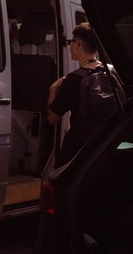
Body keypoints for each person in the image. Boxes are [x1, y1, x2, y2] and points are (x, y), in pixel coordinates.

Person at [47, 22, 113, 165]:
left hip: (78, 148)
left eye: (70, 42)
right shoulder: (111, 71)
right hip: (105, 143)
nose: (70, 46)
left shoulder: (73, 79)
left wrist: (53, 89)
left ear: (77, 44)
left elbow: (52, 118)